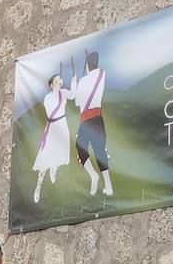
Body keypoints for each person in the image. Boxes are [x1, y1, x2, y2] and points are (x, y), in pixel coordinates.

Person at [67, 50, 114, 197]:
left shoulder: (83, 81)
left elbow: (76, 101)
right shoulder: (102, 74)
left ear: (87, 65)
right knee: (100, 151)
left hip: (86, 121)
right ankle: (108, 186)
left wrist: (74, 83)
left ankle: (93, 175)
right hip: (98, 120)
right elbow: (95, 70)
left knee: (81, 149)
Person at [31, 72, 73, 204]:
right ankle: (38, 187)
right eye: (56, 81)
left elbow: (73, 95)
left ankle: (54, 169)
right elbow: (50, 112)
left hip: (62, 126)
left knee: (59, 152)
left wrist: (74, 83)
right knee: (45, 157)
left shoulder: (64, 93)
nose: (59, 82)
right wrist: (59, 94)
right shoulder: (48, 97)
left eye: (60, 80)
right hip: (53, 127)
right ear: (51, 85)